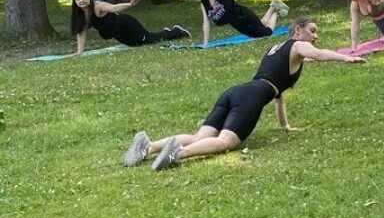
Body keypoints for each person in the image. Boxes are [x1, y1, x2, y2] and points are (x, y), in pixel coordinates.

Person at [123, 17, 364, 169]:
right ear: (298, 30)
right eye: (312, 31)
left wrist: (284, 126)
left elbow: (278, 95)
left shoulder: (275, 49)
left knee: (200, 135)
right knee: (225, 142)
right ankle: (178, 153)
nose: (315, 36)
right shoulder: (298, 45)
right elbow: (319, 54)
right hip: (251, 98)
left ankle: (150, 146)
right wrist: (345, 57)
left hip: (236, 92)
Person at [71, 0, 189, 53]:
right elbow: (81, 33)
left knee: (148, 40)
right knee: (136, 44)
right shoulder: (80, 15)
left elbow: (114, 8)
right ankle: (165, 32)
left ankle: (176, 32)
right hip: (117, 34)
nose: (82, 0)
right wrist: (79, 52)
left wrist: (130, 4)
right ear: (75, 2)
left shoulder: (97, 6)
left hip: (125, 25)